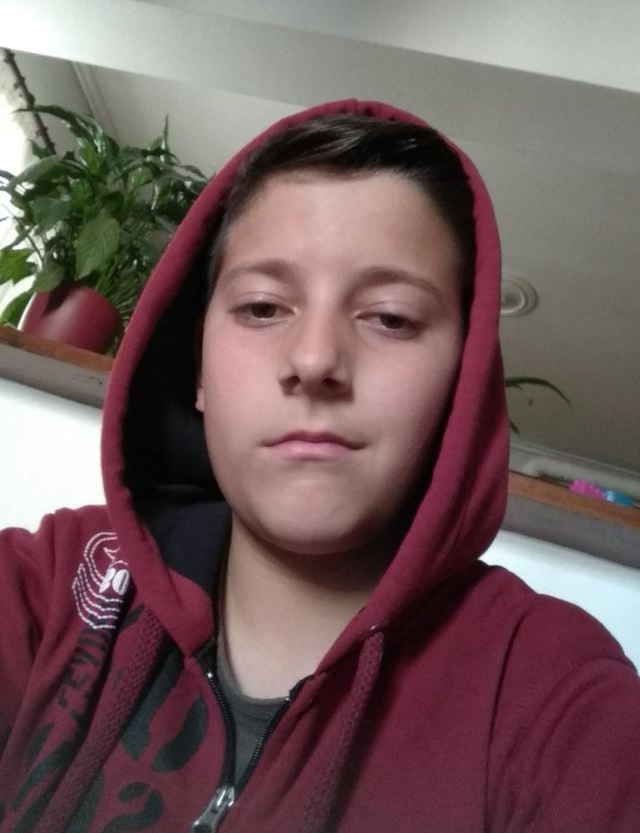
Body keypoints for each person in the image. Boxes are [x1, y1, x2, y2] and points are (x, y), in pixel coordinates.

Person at [0, 99, 638, 832]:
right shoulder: (58, 583)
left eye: (391, 317)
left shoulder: (552, 695)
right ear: (197, 367)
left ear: (461, 387)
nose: (314, 359)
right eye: (262, 307)